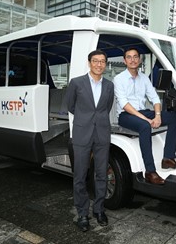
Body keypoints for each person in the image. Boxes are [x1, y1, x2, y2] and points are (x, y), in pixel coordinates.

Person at [113, 48, 176, 185]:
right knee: (144, 126)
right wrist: (148, 120)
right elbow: (124, 104)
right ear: (125, 60)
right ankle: (150, 171)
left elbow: (154, 98)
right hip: (126, 115)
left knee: (174, 117)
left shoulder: (143, 78)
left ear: (140, 59)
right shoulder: (118, 79)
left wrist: (158, 116)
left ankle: (168, 157)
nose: (133, 60)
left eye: (135, 57)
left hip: (143, 112)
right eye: (129, 57)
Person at [65, 50, 114, 232]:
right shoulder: (76, 83)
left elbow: (106, 108)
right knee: (80, 175)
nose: (99, 64)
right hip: (82, 134)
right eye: (95, 61)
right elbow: (70, 106)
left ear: (105, 64)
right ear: (89, 62)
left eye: (102, 61)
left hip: (102, 134)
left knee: (102, 174)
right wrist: (86, 119)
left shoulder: (109, 85)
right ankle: (82, 213)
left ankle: (99, 210)